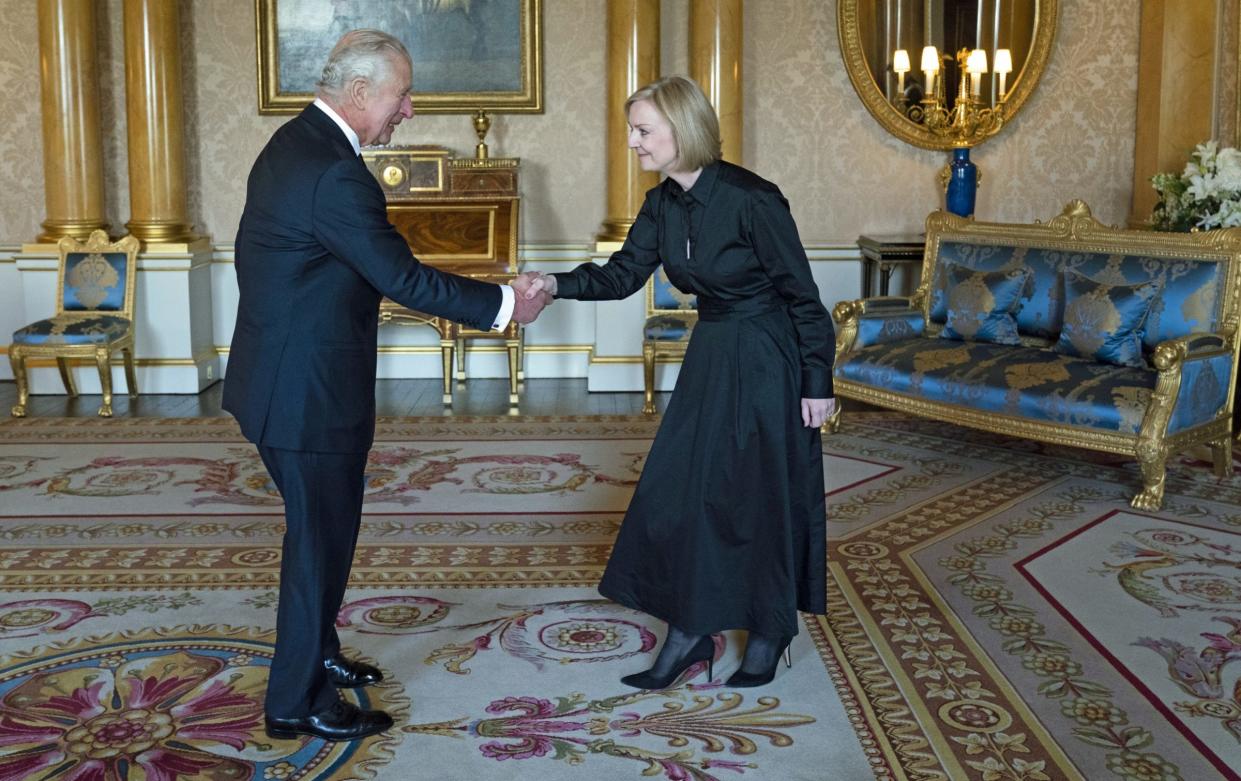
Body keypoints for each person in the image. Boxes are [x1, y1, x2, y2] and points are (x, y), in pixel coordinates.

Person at [223, 29, 549, 742]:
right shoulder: (335, 173)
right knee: (320, 541)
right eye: (402, 94)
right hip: (306, 394)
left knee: (323, 531)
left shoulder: (296, 142)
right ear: (363, 91)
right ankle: (295, 699)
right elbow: (401, 277)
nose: (409, 108)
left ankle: (321, 651)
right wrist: (505, 305)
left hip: (276, 376)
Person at [515, 76, 835, 689]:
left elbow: (804, 297)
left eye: (643, 131)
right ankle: (690, 631)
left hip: (770, 356)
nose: (632, 142)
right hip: (713, 351)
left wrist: (816, 380)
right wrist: (555, 283)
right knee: (688, 493)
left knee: (760, 493)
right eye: (631, 130)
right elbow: (622, 275)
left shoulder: (754, 199)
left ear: (682, 131)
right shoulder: (661, 203)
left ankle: (769, 630)